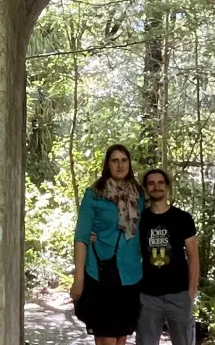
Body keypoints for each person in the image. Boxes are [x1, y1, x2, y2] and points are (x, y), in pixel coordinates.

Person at [71, 144, 145, 345]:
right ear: (107, 164)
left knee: (121, 336)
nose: (120, 165)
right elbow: (81, 238)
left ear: (129, 164)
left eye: (124, 160)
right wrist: (79, 279)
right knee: (106, 337)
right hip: (101, 273)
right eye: (115, 160)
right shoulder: (94, 195)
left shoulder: (139, 196)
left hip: (130, 274)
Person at [136, 168, 199, 345]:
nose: (156, 187)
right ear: (146, 188)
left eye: (160, 183)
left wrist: (191, 291)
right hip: (148, 297)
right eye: (151, 183)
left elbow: (193, 256)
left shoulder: (183, 218)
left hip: (179, 295)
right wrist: (94, 235)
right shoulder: (140, 219)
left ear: (167, 186)